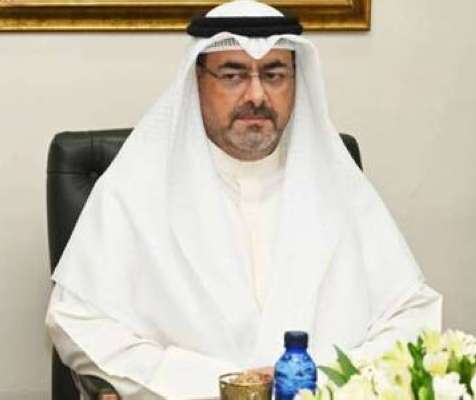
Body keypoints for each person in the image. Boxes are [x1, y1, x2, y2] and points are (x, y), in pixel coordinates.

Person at [45, 1, 442, 398]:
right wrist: (219, 383)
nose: (256, 95)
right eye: (233, 75)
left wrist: (325, 379)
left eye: (274, 74)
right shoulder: (137, 187)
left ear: (296, 81)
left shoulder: (339, 186)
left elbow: (413, 315)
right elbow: (78, 322)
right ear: (197, 81)